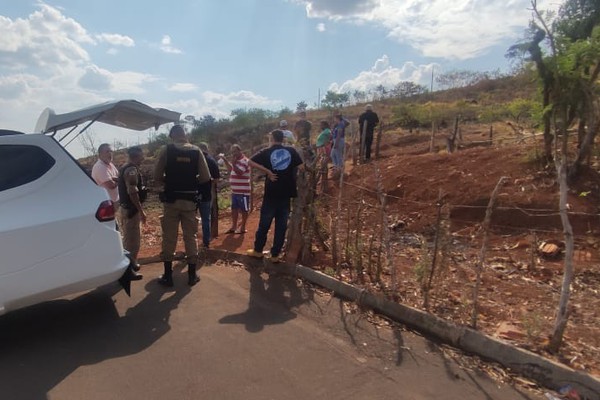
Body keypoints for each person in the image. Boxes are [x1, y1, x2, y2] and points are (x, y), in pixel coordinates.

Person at [154, 125, 210, 287]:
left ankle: (167, 276)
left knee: (169, 237)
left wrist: (170, 181)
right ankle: (192, 276)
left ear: (172, 136)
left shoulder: (167, 150)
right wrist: (191, 183)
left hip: (171, 201)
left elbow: (156, 175)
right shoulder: (196, 150)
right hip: (190, 201)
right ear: (185, 135)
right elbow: (205, 177)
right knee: (190, 236)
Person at [247, 129, 304, 262]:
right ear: (283, 139)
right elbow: (301, 167)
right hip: (286, 194)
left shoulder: (266, 151)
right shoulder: (291, 151)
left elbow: (250, 162)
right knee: (281, 226)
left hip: (271, 193)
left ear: (272, 138)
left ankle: (258, 251)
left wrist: (267, 171)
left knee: (264, 224)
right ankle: (275, 255)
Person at [117, 146, 147, 280]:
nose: (143, 159)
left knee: (128, 238)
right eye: (142, 156)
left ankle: (131, 264)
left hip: (126, 208)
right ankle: (127, 272)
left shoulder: (125, 167)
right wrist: (141, 211)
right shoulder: (131, 170)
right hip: (131, 210)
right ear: (136, 156)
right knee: (132, 241)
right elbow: (133, 192)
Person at [219, 144, 251, 234]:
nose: (233, 154)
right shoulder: (236, 161)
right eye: (232, 152)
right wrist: (225, 160)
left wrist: (233, 163)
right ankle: (233, 227)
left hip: (243, 191)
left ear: (240, 151)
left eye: (235, 151)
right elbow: (231, 169)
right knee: (234, 209)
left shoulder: (245, 160)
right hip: (235, 191)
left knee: (244, 209)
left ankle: (243, 227)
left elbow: (240, 172)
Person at [197, 142, 221, 248]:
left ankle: (191, 243)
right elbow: (216, 179)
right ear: (207, 149)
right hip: (207, 192)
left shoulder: (194, 159)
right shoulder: (212, 161)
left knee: (191, 218)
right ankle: (206, 242)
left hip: (193, 193)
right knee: (206, 218)